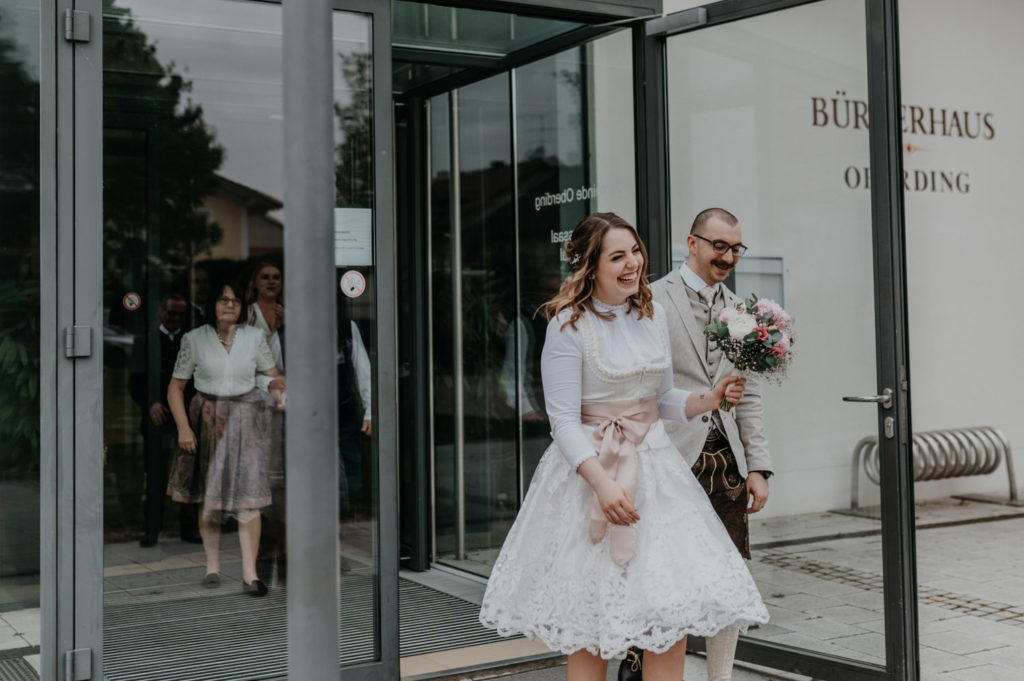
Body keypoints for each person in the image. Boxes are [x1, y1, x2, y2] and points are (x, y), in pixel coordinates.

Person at [479, 212, 768, 681]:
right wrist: (603, 486)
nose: (633, 263)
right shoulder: (567, 327)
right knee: (591, 629)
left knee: (669, 619)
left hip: (657, 475)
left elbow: (663, 401)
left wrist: (708, 399)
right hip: (591, 479)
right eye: (618, 256)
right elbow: (564, 422)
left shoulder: (651, 317)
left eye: (635, 251)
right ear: (591, 266)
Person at [627, 207, 774, 681]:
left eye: (736, 248)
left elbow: (746, 397)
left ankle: (719, 677)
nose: (728, 256)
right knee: (659, 575)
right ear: (691, 244)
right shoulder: (652, 298)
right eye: (719, 246)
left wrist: (759, 466)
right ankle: (638, 663)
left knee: (727, 577)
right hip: (666, 457)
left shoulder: (742, 311)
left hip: (723, 463)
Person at [166, 280, 285, 597]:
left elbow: (273, 378)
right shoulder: (195, 339)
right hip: (207, 419)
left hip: (246, 419)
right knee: (210, 499)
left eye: (234, 300)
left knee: (251, 499)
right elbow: (175, 388)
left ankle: (250, 575)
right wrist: (183, 428)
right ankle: (212, 565)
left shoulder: (255, 337)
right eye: (222, 299)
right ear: (211, 305)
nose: (229, 304)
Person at [128, 292, 200, 547]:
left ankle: (188, 528)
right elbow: (135, 380)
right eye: (171, 312)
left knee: (187, 475)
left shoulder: (190, 341)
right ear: (161, 311)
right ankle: (151, 530)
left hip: (186, 418)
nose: (176, 318)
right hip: (156, 418)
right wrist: (151, 403)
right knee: (155, 475)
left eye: (181, 314)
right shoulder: (145, 341)